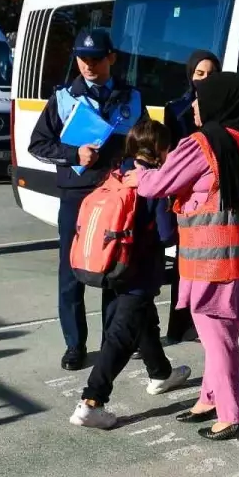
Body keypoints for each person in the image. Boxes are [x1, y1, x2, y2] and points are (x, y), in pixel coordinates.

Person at [125, 73, 239, 441]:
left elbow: (157, 185)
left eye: (199, 99)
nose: (192, 106)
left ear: (221, 102)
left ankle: (232, 414)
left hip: (211, 263)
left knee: (217, 338)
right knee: (223, 334)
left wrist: (136, 176)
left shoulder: (200, 145)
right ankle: (208, 398)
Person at [28, 28, 147, 371]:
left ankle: (113, 341)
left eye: (96, 58)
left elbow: (145, 144)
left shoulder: (132, 97)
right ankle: (74, 345)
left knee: (116, 268)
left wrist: (138, 164)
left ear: (111, 57)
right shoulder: (64, 98)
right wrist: (73, 153)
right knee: (72, 272)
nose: (89, 65)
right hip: (77, 197)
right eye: (82, 58)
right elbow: (37, 145)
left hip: (118, 195)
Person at [69, 120, 192, 429]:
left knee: (144, 322)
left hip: (113, 266)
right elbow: (166, 235)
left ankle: (160, 374)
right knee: (122, 335)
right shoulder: (152, 183)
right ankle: (92, 401)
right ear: (162, 150)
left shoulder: (118, 173)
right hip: (139, 272)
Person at [162, 49, 222, 345]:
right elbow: (170, 154)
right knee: (184, 264)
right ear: (190, 76)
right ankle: (178, 324)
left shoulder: (225, 106)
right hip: (187, 195)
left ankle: (202, 318)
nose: (206, 79)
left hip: (214, 195)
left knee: (209, 262)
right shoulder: (177, 108)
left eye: (211, 74)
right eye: (200, 74)